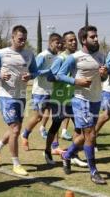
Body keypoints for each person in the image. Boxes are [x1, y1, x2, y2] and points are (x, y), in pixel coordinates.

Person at [57, 26, 108, 184]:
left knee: (82, 137)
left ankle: (66, 155)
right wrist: (76, 81)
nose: (96, 39)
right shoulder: (75, 57)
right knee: (91, 135)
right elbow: (59, 75)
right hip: (80, 100)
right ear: (84, 40)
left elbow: (104, 79)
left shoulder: (101, 56)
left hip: (95, 99)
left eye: (96, 36)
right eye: (92, 37)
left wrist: (104, 75)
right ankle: (93, 172)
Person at [0, 25, 38, 176]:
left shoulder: (29, 54)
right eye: (20, 39)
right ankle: (16, 163)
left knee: (13, 129)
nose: (22, 42)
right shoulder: (2, 53)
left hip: (21, 96)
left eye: (24, 39)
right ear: (13, 38)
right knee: (16, 129)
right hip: (6, 96)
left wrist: (30, 76)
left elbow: (35, 71)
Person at [43, 31, 87, 168]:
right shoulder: (60, 59)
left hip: (75, 99)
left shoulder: (79, 57)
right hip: (59, 99)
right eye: (70, 40)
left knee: (79, 129)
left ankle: (73, 155)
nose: (74, 42)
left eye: (75, 40)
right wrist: (67, 79)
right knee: (55, 126)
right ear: (64, 43)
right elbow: (50, 77)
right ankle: (47, 151)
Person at [21, 33, 62, 151]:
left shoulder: (59, 57)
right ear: (50, 43)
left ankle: (55, 146)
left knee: (56, 118)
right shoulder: (43, 55)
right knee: (38, 117)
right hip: (40, 91)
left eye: (60, 43)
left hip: (53, 91)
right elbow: (34, 72)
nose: (59, 45)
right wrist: (50, 71)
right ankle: (25, 135)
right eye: (57, 42)